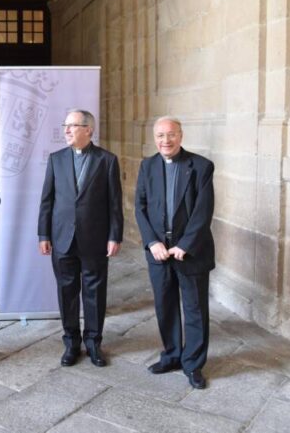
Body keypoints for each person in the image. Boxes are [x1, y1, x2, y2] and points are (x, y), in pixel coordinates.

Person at [37, 109, 123, 367]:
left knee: (94, 293)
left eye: (72, 126)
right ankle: (71, 343)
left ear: (88, 129)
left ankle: (94, 343)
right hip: (62, 238)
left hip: (95, 239)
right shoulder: (56, 159)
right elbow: (47, 200)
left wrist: (114, 236)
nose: (66, 130)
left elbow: (115, 203)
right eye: (65, 125)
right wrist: (43, 233)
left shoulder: (107, 160)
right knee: (67, 292)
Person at [134, 116, 215, 390]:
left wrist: (185, 244)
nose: (165, 141)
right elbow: (140, 207)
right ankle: (171, 356)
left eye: (170, 135)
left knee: (194, 310)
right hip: (158, 252)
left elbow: (203, 211)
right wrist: (152, 242)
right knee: (165, 307)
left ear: (180, 136)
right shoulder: (147, 166)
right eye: (160, 135)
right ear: (154, 138)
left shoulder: (201, 167)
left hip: (189, 252)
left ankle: (193, 364)